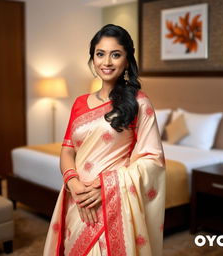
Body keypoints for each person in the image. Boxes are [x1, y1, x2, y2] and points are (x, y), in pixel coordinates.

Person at [44, 24, 165, 256]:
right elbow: (68, 150)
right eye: (100, 54)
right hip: (76, 200)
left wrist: (107, 188)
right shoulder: (79, 103)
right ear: (92, 59)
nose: (107, 62)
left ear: (127, 59)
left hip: (113, 202)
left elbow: (153, 159)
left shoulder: (139, 102)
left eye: (116, 54)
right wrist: (75, 185)